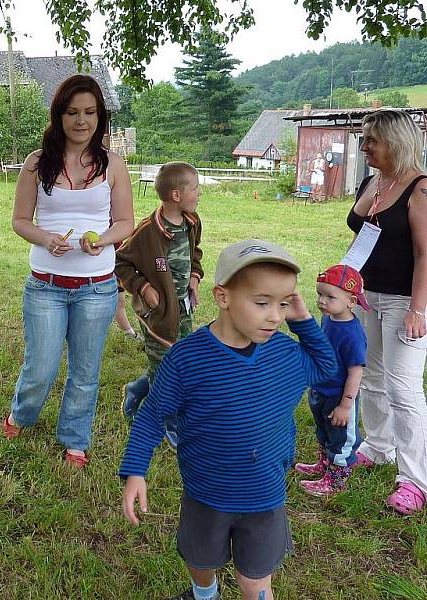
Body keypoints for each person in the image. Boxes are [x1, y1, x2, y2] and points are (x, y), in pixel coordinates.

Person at [121, 239, 336, 600]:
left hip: (264, 495)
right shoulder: (188, 359)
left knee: (255, 579)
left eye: (283, 304)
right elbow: (153, 415)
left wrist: (303, 321)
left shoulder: (285, 353)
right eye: (262, 303)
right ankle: (204, 593)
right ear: (223, 297)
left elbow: (326, 367)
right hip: (206, 490)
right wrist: (136, 471)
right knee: (200, 558)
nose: (274, 316)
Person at [3, 74, 135, 467]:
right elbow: (20, 220)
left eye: (90, 112)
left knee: (85, 370)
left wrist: (104, 239)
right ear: (59, 115)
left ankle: (75, 438)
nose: (82, 120)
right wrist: (45, 239)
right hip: (45, 286)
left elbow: (125, 222)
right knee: (40, 366)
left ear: (100, 117)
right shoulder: (37, 163)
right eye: (73, 112)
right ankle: (22, 414)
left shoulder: (113, 164)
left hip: (97, 288)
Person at [346, 109, 427, 515]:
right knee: (371, 378)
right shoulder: (372, 182)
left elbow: (425, 253)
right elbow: (363, 241)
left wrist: (419, 308)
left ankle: (415, 480)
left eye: (371, 141)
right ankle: (378, 447)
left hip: (404, 303)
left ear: (395, 142)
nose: (364, 148)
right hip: (367, 297)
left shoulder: (420, 188)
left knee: (404, 389)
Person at [116, 162, 203, 425]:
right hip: (156, 314)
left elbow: (194, 253)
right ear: (176, 195)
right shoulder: (148, 231)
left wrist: (194, 277)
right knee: (163, 368)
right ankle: (167, 422)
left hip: (182, 309)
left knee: (181, 362)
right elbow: (120, 262)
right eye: (196, 188)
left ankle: (137, 389)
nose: (199, 194)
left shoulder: (191, 222)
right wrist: (144, 287)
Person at [295, 264, 369, 496]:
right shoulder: (328, 319)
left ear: (351, 301)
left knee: (341, 438)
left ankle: (336, 481)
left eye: (330, 296)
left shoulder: (352, 334)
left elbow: (356, 372)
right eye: (319, 294)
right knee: (323, 430)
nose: (322, 301)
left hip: (339, 396)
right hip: (320, 389)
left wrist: (346, 405)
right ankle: (324, 465)